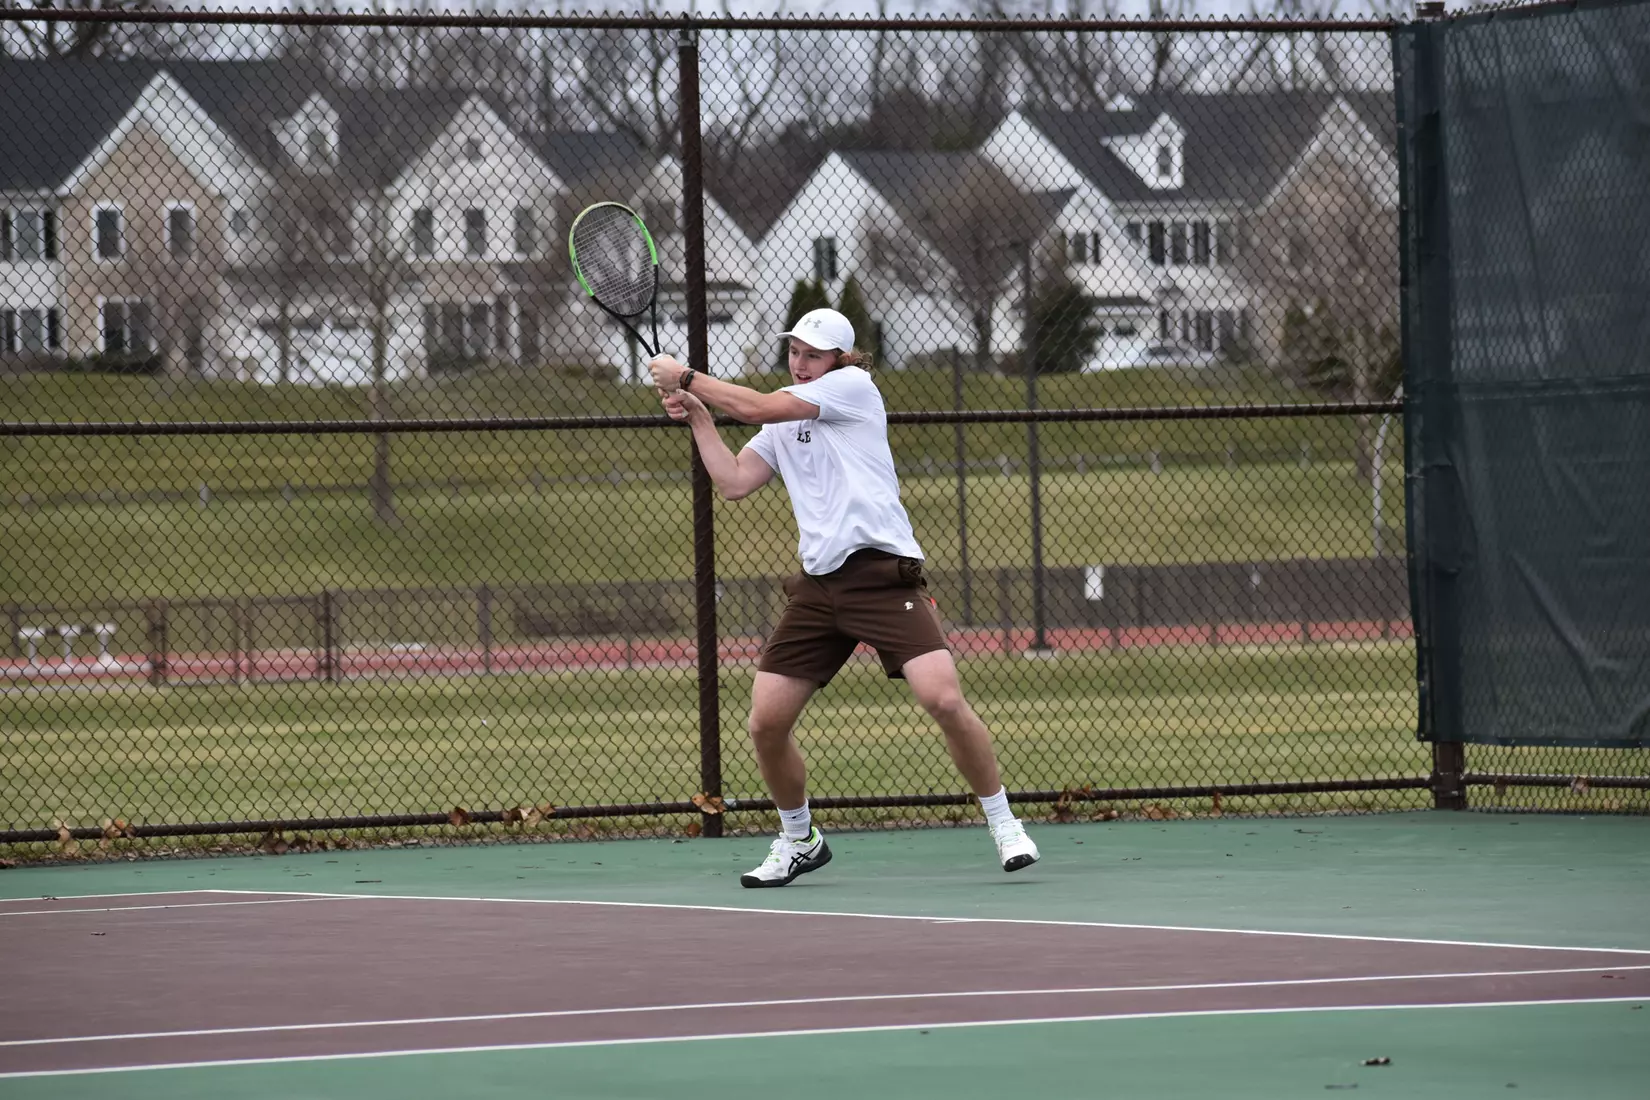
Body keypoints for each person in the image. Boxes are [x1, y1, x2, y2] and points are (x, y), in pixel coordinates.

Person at [646, 307, 1040, 888]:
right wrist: (701, 418)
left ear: (840, 359)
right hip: (818, 589)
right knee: (766, 723)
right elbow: (733, 482)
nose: (801, 363)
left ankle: (1004, 823)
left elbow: (754, 406)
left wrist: (686, 377)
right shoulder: (783, 421)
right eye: (795, 352)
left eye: (813, 354)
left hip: (882, 577)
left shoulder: (853, 388)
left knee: (943, 698)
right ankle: (798, 839)